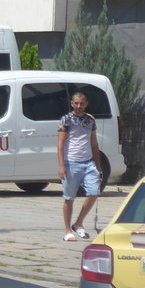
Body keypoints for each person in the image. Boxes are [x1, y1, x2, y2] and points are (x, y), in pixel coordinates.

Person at [58, 91, 101, 241]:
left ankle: (79, 223)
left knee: (94, 192)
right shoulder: (66, 119)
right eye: (76, 103)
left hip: (88, 162)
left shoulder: (90, 120)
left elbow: (94, 144)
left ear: (86, 104)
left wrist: (98, 165)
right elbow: (60, 145)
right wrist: (61, 166)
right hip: (72, 163)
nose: (79, 106)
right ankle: (67, 229)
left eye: (82, 103)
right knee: (69, 197)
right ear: (71, 103)